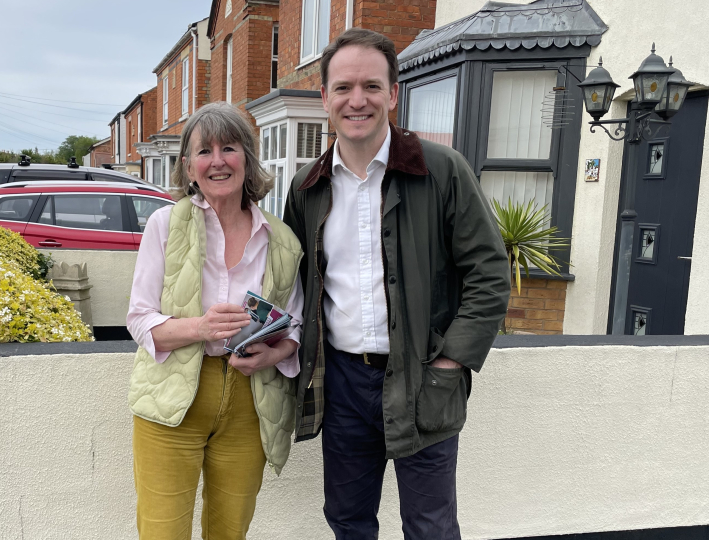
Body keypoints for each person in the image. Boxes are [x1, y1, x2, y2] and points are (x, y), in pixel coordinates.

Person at [283, 29, 510, 539]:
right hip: (341, 385)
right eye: (342, 88)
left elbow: (489, 274)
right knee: (347, 520)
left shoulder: (442, 171)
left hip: (424, 379)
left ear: (393, 93)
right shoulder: (307, 188)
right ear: (324, 98)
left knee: (429, 528)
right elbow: (293, 285)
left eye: (370, 86)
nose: (356, 100)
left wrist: (450, 363)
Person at [127, 101, 304, 540]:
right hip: (173, 395)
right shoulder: (165, 225)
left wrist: (275, 352)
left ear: (247, 157)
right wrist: (200, 328)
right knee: (161, 532)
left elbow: (296, 324)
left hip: (249, 400)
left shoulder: (281, 240)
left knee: (230, 531)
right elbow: (138, 318)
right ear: (188, 167)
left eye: (229, 147)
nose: (218, 161)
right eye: (204, 151)